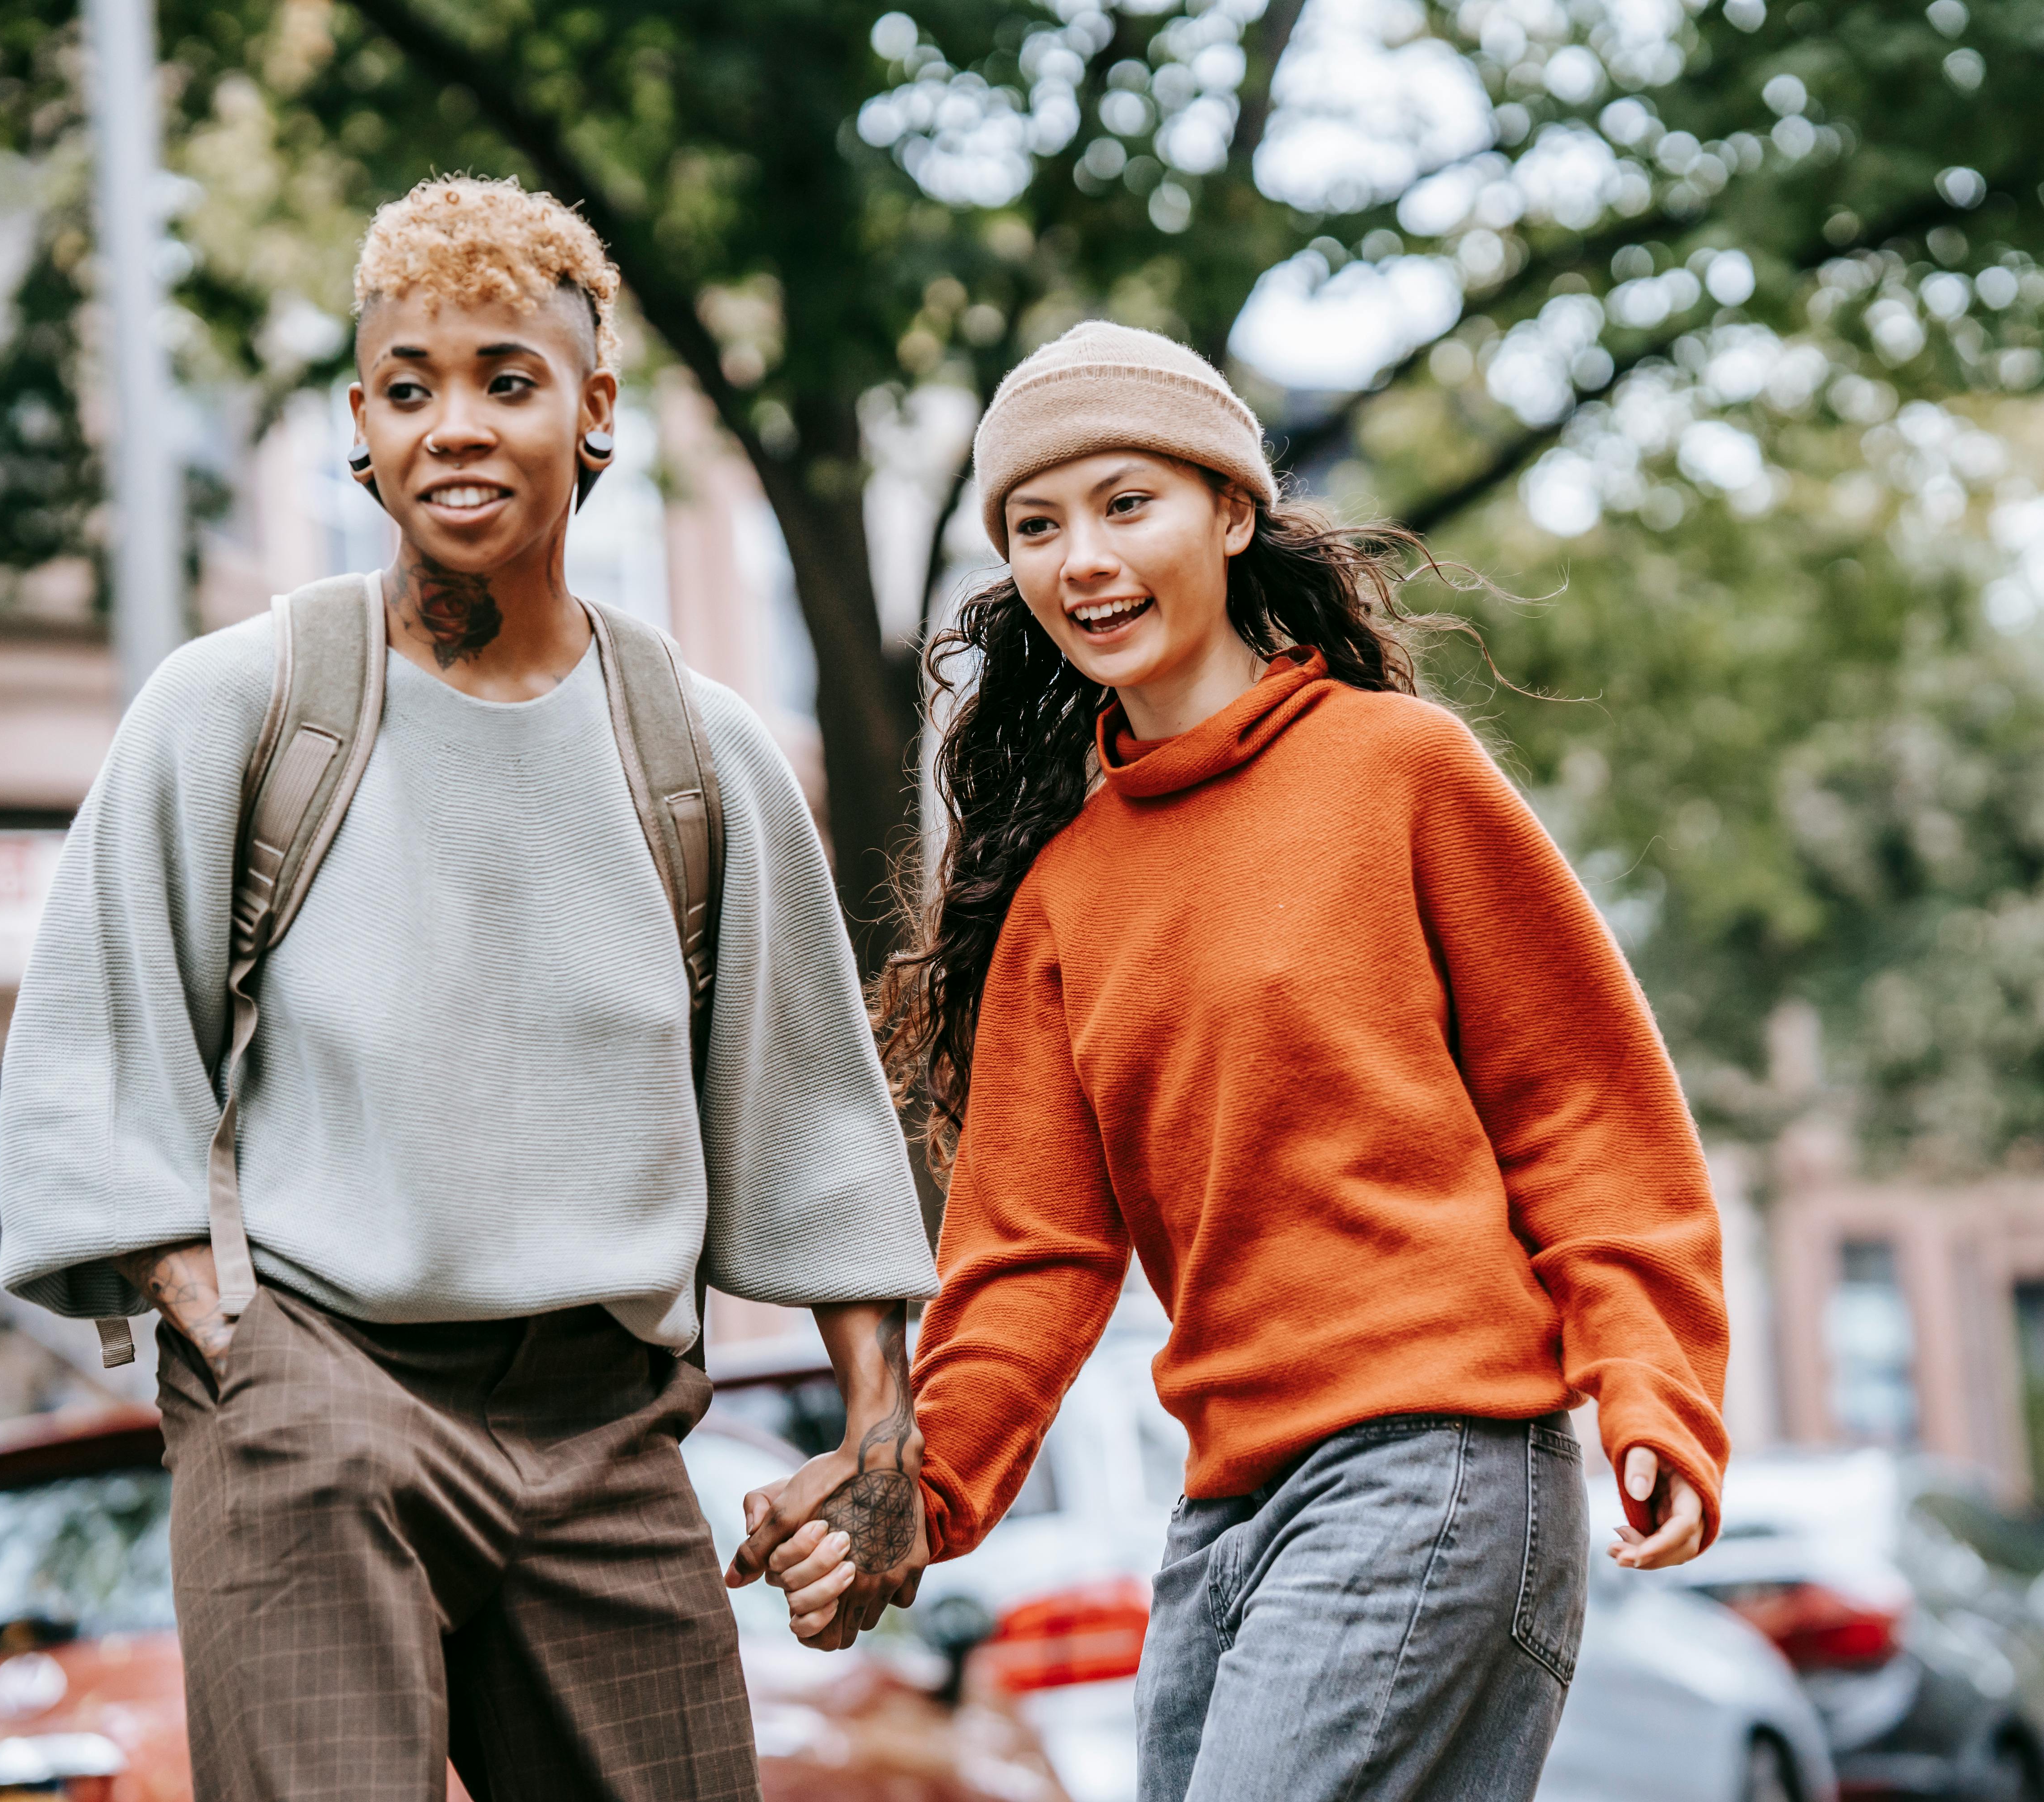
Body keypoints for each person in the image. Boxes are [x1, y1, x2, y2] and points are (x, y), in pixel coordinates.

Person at [0, 176, 937, 1802]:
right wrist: (215, 1324)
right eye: (411, 388)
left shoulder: (699, 756)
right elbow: (99, 1025)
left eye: (507, 380)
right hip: (318, 1390)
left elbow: (809, 1111)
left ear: (592, 412)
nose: (455, 426)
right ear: (358, 428)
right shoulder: (241, 706)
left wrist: (878, 1428)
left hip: (612, 1431)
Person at [733, 322, 1731, 1801]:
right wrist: (921, 1484)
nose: (1083, 559)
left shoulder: (1401, 773)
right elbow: (1031, 1255)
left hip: (1437, 1464)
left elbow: (1584, 1104)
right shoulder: (1065, 895)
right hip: (1229, 1504)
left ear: (1232, 511)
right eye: (1036, 525)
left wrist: (1650, 1375)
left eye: (1127, 503)